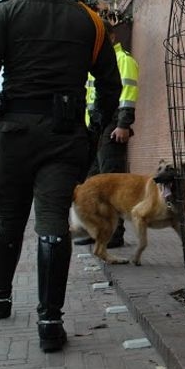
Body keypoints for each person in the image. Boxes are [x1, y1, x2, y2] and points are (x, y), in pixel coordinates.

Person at [0, 0, 120, 353]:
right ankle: (49, 321)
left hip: (15, 134)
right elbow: (110, 86)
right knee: (52, 224)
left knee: (9, 220)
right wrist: (96, 127)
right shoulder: (90, 21)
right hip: (65, 138)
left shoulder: (6, 13)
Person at [74, 21, 139, 249]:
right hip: (96, 129)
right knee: (92, 183)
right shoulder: (99, 63)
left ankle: (114, 234)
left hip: (112, 128)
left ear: (110, 37)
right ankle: (97, 231)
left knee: (112, 184)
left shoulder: (124, 61)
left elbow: (128, 95)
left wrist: (122, 124)